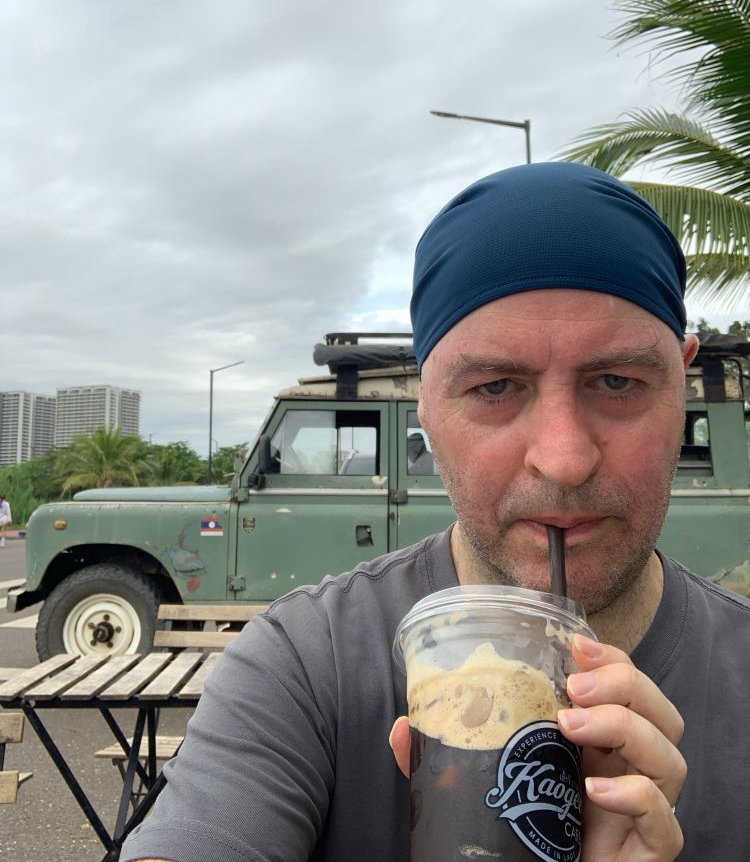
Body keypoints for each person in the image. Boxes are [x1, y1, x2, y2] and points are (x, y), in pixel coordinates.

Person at [122, 163, 750, 862]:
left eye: (616, 381)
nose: (565, 459)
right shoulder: (308, 665)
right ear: (424, 406)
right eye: (495, 387)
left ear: (684, 385)